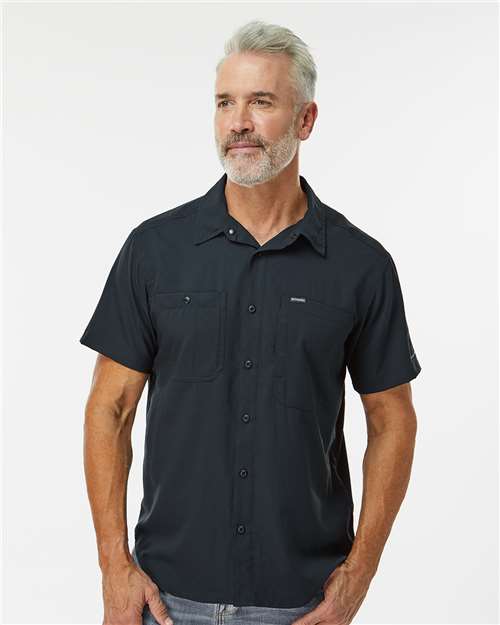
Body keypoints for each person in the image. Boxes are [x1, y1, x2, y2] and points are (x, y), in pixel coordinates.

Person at [80, 19, 422, 625]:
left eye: (261, 102)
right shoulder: (154, 251)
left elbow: (391, 419)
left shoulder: (361, 265)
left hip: (301, 603)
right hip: (165, 599)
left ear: (305, 120)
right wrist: (114, 566)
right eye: (225, 103)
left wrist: (359, 575)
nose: (238, 122)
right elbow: (110, 409)